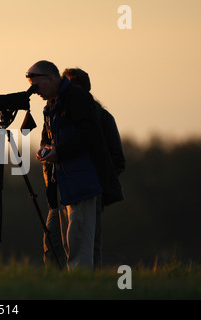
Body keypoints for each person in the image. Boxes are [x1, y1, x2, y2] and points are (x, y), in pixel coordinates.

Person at [25, 60, 123, 270]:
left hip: (83, 183)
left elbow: (92, 139)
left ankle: (82, 287)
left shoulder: (81, 103)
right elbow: (48, 140)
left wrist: (58, 153)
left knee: (81, 244)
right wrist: (46, 152)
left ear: (52, 79)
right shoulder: (52, 106)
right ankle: (64, 286)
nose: (35, 91)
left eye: (36, 85)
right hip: (62, 184)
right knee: (63, 243)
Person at [62, 68, 125, 268]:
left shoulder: (102, 117)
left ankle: (90, 287)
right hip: (62, 191)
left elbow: (117, 159)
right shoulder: (57, 115)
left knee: (89, 244)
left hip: (89, 191)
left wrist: (95, 183)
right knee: (57, 242)